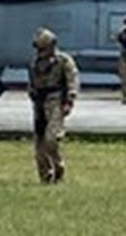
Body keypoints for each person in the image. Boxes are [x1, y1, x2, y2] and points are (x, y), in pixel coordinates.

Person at [28, 28, 79, 184]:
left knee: (52, 139)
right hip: (39, 103)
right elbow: (32, 83)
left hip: (56, 101)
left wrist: (69, 100)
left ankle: (59, 168)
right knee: (39, 143)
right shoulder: (34, 63)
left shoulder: (63, 61)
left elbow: (72, 80)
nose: (40, 51)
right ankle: (45, 175)